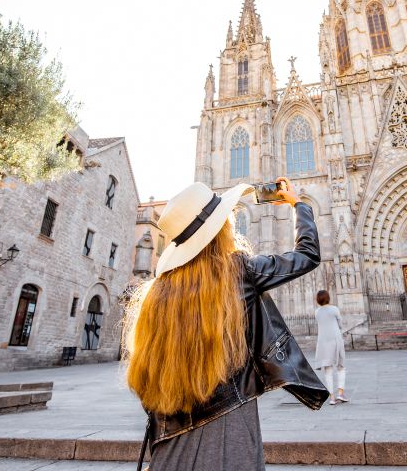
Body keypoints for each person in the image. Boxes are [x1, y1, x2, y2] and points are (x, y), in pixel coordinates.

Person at [124, 178, 328, 471]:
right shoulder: (238, 272)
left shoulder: (156, 294)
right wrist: (299, 204)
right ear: (220, 230)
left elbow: (146, 379)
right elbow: (307, 255)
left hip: (170, 444)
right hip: (230, 428)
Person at [314, 290, 348, 405]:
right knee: (341, 367)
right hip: (335, 340)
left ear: (318, 300)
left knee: (327, 371)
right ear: (328, 298)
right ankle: (340, 393)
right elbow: (340, 324)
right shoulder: (334, 309)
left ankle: (332, 398)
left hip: (323, 343)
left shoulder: (317, 312)